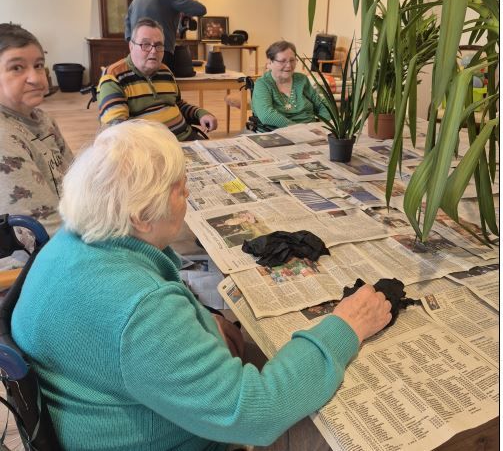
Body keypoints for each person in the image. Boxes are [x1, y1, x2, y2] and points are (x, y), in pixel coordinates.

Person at [12, 119, 391, 451]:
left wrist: (201, 322)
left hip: (101, 415)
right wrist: (347, 325)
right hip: (166, 441)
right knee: (329, 422)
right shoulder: (141, 308)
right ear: (142, 216)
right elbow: (254, 414)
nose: (188, 195)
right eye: (179, 188)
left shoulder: (71, 241)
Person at [0, 23, 73, 238]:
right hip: (42, 251)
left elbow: (77, 176)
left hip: (73, 222)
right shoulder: (4, 138)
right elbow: (43, 232)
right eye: (17, 68)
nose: (35, 78)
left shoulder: (43, 120)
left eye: (39, 65)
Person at [97, 18, 217, 141]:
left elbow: (178, 105)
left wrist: (200, 114)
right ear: (131, 46)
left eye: (159, 45)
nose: (154, 51)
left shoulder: (166, 71)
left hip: (187, 138)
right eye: (146, 44)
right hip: (152, 147)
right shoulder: (113, 77)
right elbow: (117, 130)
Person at [252, 40, 331, 130]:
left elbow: (323, 105)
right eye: (282, 61)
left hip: (311, 130)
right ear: (270, 62)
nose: (289, 65)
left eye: (292, 60)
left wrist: (321, 125)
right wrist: (298, 129)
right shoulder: (263, 84)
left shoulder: (301, 79)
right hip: (279, 132)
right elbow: (266, 115)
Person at [125, 0, 207, 71]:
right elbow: (200, 9)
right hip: (160, 51)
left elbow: (128, 31)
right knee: (163, 78)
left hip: (137, 51)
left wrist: (138, 46)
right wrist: (184, 10)